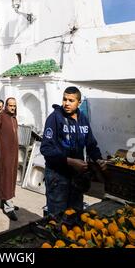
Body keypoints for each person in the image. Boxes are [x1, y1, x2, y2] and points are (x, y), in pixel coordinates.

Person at [40, 86, 107, 216]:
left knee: (75, 213)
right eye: (65, 99)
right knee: (57, 217)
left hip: (77, 177)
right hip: (58, 176)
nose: (66, 103)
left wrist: (98, 159)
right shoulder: (54, 118)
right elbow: (46, 148)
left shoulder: (83, 120)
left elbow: (91, 144)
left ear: (79, 102)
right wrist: (70, 161)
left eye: (71, 100)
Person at [0, 97, 19, 221]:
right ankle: (9, 207)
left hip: (13, 153)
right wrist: (2, 145)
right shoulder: (0, 116)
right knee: (6, 177)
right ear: (6, 106)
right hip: (4, 153)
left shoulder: (14, 119)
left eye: (14, 105)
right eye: (10, 105)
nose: (12, 107)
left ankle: (5, 201)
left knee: (10, 177)